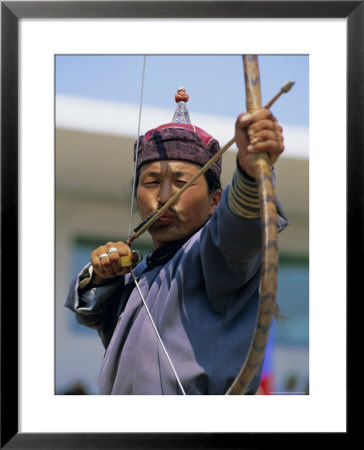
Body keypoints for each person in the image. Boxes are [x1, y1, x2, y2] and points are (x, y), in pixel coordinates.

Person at [65, 88, 288, 395]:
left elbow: (239, 228)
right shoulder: (137, 278)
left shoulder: (214, 256)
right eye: (152, 182)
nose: (166, 197)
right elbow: (89, 312)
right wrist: (100, 275)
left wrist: (251, 174)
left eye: (182, 183)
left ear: (215, 201)